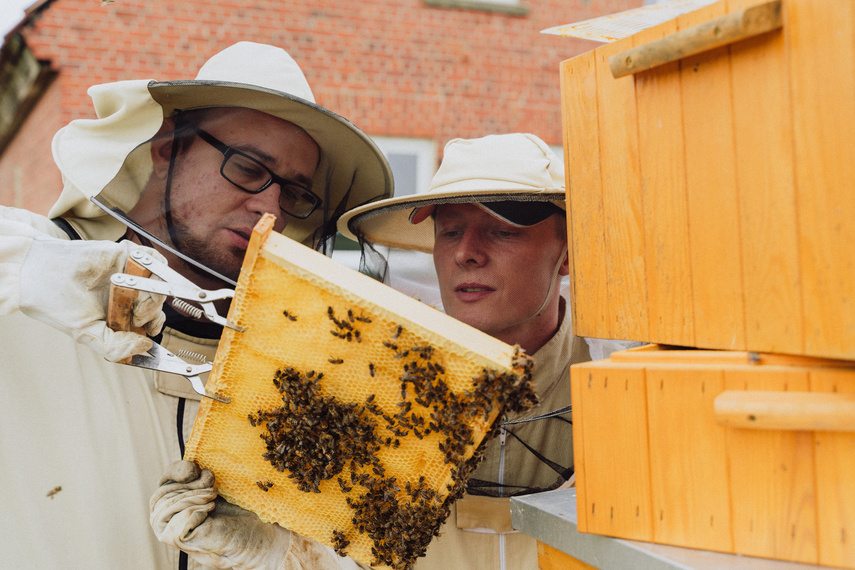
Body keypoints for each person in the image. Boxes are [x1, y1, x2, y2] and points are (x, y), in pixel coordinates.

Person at [0, 42, 392, 569]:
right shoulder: (35, 273)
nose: (269, 211)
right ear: (168, 147)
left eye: (294, 193)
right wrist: (33, 270)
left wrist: (283, 557)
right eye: (251, 168)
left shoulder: (289, 365)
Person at [150, 133, 590, 570]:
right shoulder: (369, 376)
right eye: (450, 231)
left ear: (566, 253)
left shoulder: (620, 377)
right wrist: (283, 555)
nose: (466, 253)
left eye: (502, 231)